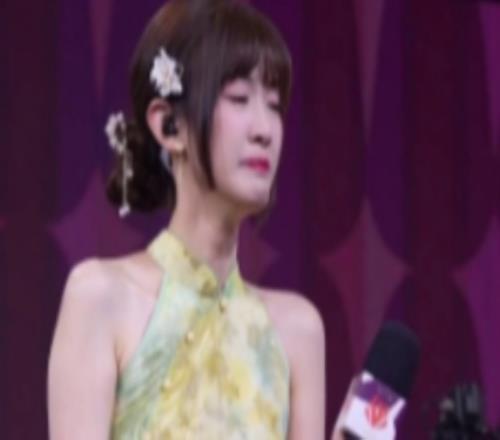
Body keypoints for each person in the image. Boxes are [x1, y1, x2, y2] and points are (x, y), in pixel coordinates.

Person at [48, 0, 325, 438]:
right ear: (169, 126)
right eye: (239, 98)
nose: (265, 129)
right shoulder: (100, 297)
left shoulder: (297, 330)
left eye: (274, 105)